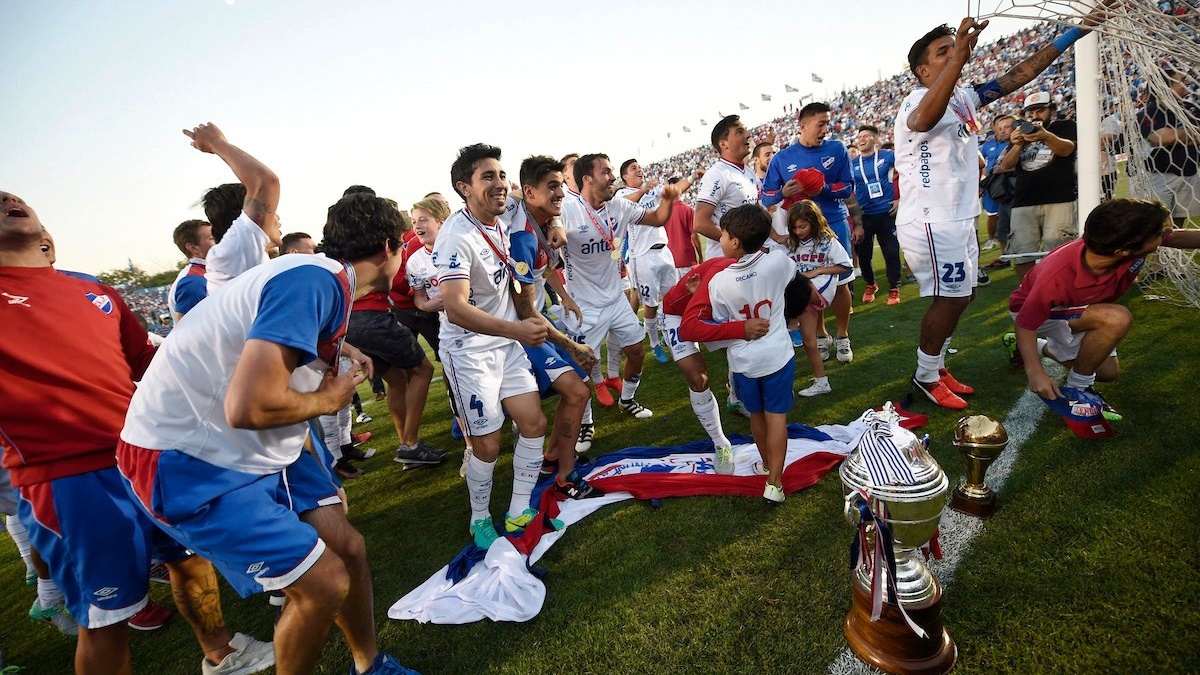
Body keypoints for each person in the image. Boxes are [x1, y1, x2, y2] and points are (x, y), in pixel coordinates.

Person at [118, 191, 421, 675]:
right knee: (324, 582)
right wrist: (330, 400)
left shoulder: (319, 275)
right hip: (189, 457)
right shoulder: (313, 281)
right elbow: (250, 405)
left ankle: (370, 664)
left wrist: (342, 353)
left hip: (245, 444)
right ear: (390, 247)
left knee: (349, 548)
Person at [1, 193, 274, 675]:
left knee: (188, 560)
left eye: (15, 198)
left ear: (48, 240)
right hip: (69, 478)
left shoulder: (94, 290)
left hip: (144, 451)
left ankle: (222, 652)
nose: (7, 198)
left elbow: (147, 362)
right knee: (106, 617)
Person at [894, 9, 1110, 410]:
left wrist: (1078, 30)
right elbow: (923, 121)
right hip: (931, 219)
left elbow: (1019, 74)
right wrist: (959, 57)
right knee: (950, 298)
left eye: (954, 47)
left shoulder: (964, 96)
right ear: (923, 71)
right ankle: (925, 376)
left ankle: (936, 366)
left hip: (959, 215)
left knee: (966, 294)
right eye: (943, 52)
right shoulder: (917, 98)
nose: (954, 52)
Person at [435, 143, 554, 547]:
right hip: (469, 352)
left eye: (502, 175)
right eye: (488, 176)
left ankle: (519, 509)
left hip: (505, 344)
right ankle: (480, 518)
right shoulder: (456, 236)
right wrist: (517, 330)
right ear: (464, 187)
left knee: (534, 423)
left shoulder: (498, 220)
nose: (500, 183)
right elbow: (455, 309)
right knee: (487, 445)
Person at [1007, 198, 1199, 417]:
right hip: (1038, 313)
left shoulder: (1123, 243)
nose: (1164, 236)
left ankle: (1036, 347)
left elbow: (1176, 237)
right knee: (1116, 318)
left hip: (1079, 308)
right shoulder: (1058, 276)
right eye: (1157, 235)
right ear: (1123, 252)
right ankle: (1078, 391)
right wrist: (1035, 372)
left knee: (1107, 373)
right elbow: (1025, 322)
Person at [560, 152, 683, 449]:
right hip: (585, 305)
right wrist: (564, 296)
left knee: (637, 352)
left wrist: (668, 200)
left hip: (615, 298)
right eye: (606, 172)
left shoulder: (619, 205)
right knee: (582, 366)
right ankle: (586, 423)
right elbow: (549, 252)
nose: (612, 177)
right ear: (587, 179)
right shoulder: (566, 210)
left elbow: (657, 218)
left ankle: (627, 399)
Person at [679, 204, 795, 504]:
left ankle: (767, 464)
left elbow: (719, 321)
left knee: (756, 414)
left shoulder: (719, 281)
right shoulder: (778, 261)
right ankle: (774, 483)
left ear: (735, 241)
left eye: (723, 234)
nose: (720, 239)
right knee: (777, 417)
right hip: (778, 355)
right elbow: (788, 277)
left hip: (744, 361)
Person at [509, 155, 600, 498]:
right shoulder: (522, 236)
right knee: (577, 391)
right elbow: (524, 311)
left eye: (561, 185)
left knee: (580, 384)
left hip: (532, 318)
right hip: (518, 329)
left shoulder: (541, 220)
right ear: (530, 192)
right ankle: (565, 477)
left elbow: (544, 268)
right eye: (552, 187)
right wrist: (571, 344)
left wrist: (564, 297)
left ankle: (552, 459)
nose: (561, 192)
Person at [762, 102, 856, 364]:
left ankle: (843, 335)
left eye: (827, 123)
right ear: (803, 125)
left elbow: (848, 187)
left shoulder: (837, 149)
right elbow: (767, 196)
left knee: (842, 282)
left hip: (833, 223)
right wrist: (783, 193)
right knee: (809, 283)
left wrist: (823, 188)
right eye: (821, 124)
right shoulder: (782, 158)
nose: (826, 129)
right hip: (802, 232)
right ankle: (822, 335)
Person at [694, 116, 764, 418]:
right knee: (738, 330)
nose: (747, 135)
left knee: (752, 323)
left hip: (750, 260)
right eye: (739, 132)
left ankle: (744, 388)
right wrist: (735, 244)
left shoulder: (746, 172)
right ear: (723, 143)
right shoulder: (717, 174)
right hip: (727, 264)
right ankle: (739, 395)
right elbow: (700, 222)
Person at [615, 159, 701, 365]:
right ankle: (654, 344)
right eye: (634, 168)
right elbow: (623, 205)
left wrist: (692, 177)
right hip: (642, 256)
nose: (639, 170)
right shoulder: (621, 195)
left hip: (664, 251)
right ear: (625, 176)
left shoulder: (653, 191)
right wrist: (643, 189)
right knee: (651, 303)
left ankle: (673, 336)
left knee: (673, 298)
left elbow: (675, 190)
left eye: (639, 167)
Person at [995, 91, 1079, 280]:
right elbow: (1007, 165)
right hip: (1024, 201)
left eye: (1040, 110)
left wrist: (1046, 136)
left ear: (1052, 110)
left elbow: (1067, 150)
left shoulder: (1064, 126)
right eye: (1031, 112)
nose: (1035, 116)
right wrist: (1017, 144)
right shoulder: (1021, 133)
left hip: (1059, 198)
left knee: (1059, 253)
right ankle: (1029, 290)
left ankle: (1055, 291)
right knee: (1022, 254)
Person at [780, 201, 853, 397]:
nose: (798, 231)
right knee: (808, 341)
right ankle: (822, 382)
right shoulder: (791, 242)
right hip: (803, 297)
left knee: (794, 288)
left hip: (816, 292)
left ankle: (790, 323)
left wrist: (819, 270)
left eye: (802, 226)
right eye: (794, 227)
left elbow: (846, 267)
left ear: (814, 222)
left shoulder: (827, 240)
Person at [1139, 67, 1200, 226]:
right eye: (1182, 80)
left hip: (1189, 172)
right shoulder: (1148, 112)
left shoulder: (1191, 108)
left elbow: (1172, 137)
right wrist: (1192, 134)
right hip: (1160, 176)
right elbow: (1162, 138)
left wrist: (1179, 136)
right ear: (1165, 86)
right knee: (1158, 224)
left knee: (1179, 222)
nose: (1187, 83)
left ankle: (1175, 243)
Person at [849, 125, 903, 305]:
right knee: (863, 255)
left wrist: (901, 199)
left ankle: (894, 287)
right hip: (864, 216)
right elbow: (848, 190)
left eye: (865, 136)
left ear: (875, 139)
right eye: (859, 136)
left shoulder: (888, 156)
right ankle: (871, 284)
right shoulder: (852, 163)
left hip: (886, 213)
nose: (861, 139)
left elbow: (908, 173)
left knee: (891, 252)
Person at [980, 114, 1017, 264]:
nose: (1002, 131)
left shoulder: (1022, 144)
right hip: (1000, 191)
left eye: (1007, 127)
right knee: (1001, 228)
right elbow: (982, 163)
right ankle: (1005, 256)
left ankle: (1027, 258)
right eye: (1000, 128)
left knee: (1021, 229)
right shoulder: (988, 145)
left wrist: (1004, 168)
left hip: (1018, 192)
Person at [168, 219, 215, 322]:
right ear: (193, 248)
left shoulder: (208, 272)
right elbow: (187, 328)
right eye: (212, 238)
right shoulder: (193, 281)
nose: (219, 240)